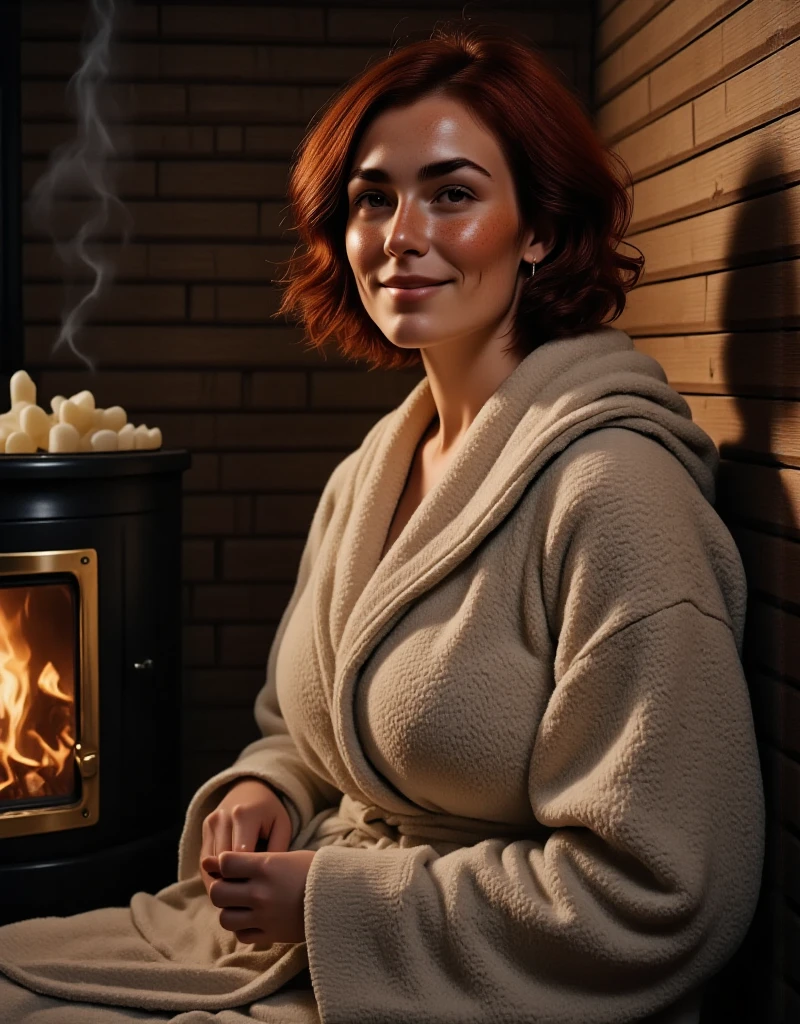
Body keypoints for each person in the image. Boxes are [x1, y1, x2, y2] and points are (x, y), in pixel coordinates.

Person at [0, 21, 764, 1024]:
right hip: (294, 940)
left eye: (450, 193)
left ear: (536, 228)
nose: (399, 232)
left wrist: (333, 899)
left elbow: (665, 887)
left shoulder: (615, 494)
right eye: (372, 196)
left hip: (457, 983)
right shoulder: (372, 470)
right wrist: (265, 790)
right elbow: (305, 732)